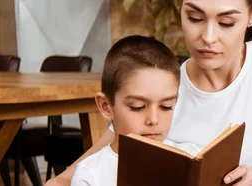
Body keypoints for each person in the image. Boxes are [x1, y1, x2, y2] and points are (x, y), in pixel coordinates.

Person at [47, 0, 252, 185]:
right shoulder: (164, 93)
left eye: (226, 22)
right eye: (195, 17)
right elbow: (98, 159)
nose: (208, 38)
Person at [70, 35, 200, 186]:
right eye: (137, 107)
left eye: (166, 106)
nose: (153, 119)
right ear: (106, 106)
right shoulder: (90, 175)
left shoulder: (192, 156)